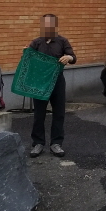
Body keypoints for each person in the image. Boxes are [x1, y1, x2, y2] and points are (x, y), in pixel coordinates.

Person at [28, 13, 76, 157]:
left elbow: (73, 57)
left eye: (50, 24)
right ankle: (38, 143)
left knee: (59, 113)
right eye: (45, 24)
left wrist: (68, 57)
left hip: (57, 82)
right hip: (40, 83)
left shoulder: (62, 41)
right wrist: (26, 53)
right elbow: (28, 60)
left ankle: (56, 143)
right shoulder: (36, 43)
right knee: (39, 114)